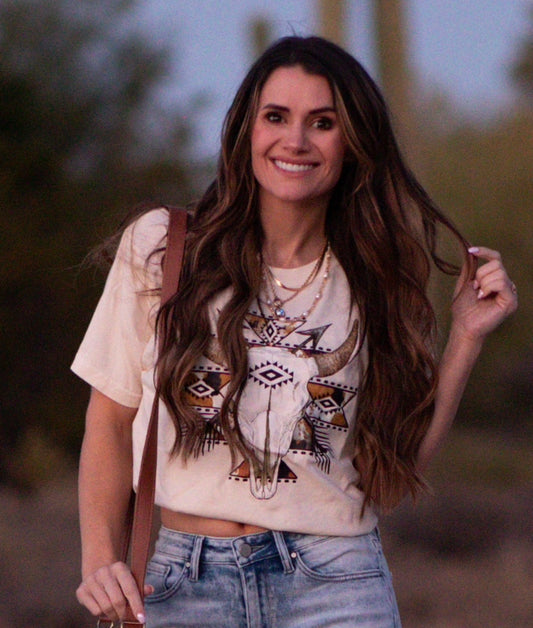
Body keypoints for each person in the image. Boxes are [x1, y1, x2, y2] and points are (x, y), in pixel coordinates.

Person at [73, 36, 517, 627]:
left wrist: (465, 339)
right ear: (246, 130)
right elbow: (110, 418)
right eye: (276, 117)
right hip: (181, 585)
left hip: (335, 583)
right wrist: (100, 561)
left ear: (352, 142)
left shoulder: (377, 276)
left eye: (323, 123)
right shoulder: (165, 247)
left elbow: (390, 475)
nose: (296, 140)